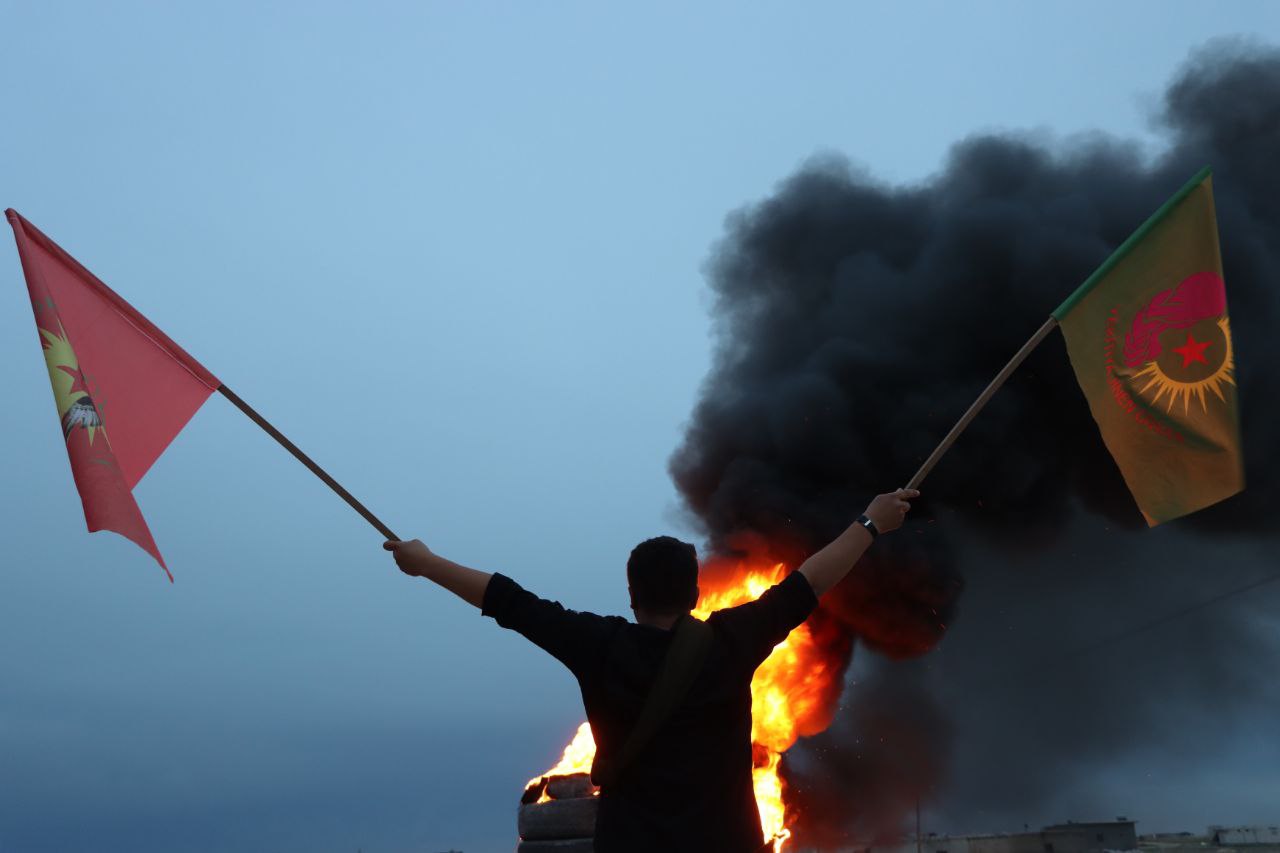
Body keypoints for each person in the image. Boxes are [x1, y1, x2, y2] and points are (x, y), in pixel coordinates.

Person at [384, 487, 919, 853]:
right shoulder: (731, 641)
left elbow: (509, 602)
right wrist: (870, 523)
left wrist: (426, 563)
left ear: (631, 595)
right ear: (696, 594)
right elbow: (808, 584)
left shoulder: (599, 645)